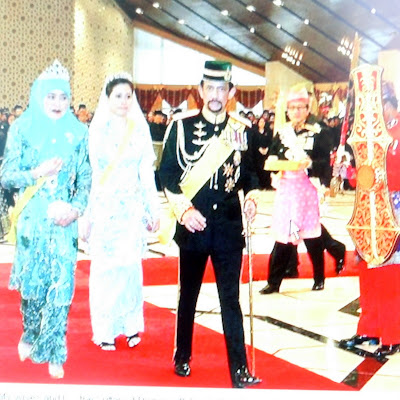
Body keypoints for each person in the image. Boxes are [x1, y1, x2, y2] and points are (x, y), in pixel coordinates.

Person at [159, 60, 261, 388]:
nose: (216, 94)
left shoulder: (241, 129)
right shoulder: (181, 127)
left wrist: (251, 198)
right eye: (210, 88)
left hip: (228, 228)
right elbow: (167, 175)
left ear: (231, 92)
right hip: (193, 225)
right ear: (201, 90)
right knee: (188, 295)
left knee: (230, 299)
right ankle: (182, 355)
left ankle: (240, 369)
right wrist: (184, 211)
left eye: (222, 88)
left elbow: (250, 175)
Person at [0, 60, 92, 379]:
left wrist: (76, 209)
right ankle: (30, 331)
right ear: (39, 96)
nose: (57, 103)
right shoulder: (22, 129)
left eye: (63, 97)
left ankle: (55, 349)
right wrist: (36, 172)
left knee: (62, 285)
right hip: (32, 222)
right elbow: (6, 176)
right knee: (33, 286)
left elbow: (85, 178)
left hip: (65, 223)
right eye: (51, 96)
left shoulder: (79, 133)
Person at [84, 73, 159, 351]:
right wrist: (88, 214)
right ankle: (104, 329)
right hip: (105, 207)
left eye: (128, 96)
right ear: (108, 98)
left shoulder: (139, 131)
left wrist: (153, 208)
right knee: (105, 269)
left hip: (131, 209)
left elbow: (146, 172)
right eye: (118, 96)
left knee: (130, 269)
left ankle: (130, 326)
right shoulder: (97, 132)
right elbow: (92, 174)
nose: (124, 101)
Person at [340, 83, 400, 357]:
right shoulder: (367, 135)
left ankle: (393, 332)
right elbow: (364, 177)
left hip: (394, 209)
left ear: (390, 104)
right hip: (370, 209)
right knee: (368, 271)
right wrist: (347, 171)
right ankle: (369, 328)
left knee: (390, 273)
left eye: (378, 105)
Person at [259, 86, 326, 294]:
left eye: (300, 107)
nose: (296, 111)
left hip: (306, 190)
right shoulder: (282, 133)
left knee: (311, 235)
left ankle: (319, 277)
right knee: (285, 235)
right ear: (287, 111)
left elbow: (325, 162)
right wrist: (273, 162)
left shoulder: (317, 133)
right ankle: (274, 281)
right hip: (287, 192)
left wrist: (310, 163)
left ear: (307, 109)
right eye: (293, 108)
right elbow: (273, 155)